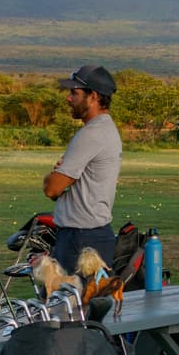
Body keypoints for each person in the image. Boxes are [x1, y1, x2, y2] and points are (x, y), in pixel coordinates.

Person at [45, 64, 123, 271]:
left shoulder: (91, 134)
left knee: (68, 302)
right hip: (90, 234)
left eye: (74, 93)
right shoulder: (105, 129)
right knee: (87, 302)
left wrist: (53, 177)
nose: (68, 98)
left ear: (94, 96)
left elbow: (52, 188)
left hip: (79, 237)